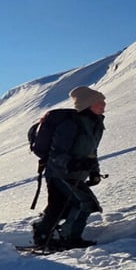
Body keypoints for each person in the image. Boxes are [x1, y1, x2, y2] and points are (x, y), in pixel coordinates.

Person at [32, 86, 106, 249]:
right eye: (99, 101)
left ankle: (43, 232)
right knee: (85, 203)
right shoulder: (70, 124)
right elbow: (57, 152)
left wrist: (94, 171)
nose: (104, 104)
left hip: (76, 174)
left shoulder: (95, 123)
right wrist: (74, 164)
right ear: (88, 104)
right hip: (60, 173)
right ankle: (68, 237)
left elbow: (91, 151)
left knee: (58, 206)